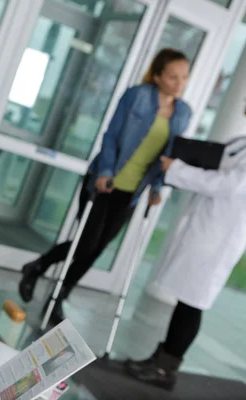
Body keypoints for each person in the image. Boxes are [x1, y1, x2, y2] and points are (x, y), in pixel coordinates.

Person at [18, 48, 192, 323]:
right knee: (86, 244)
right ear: (158, 76)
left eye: (184, 77)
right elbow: (111, 136)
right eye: (173, 76)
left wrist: (157, 188)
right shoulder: (137, 96)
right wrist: (105, 171)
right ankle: (38, 267)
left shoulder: (183, 113)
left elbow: (169, 155)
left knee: (98, 249)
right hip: (104, 180)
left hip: (133, 192)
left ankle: (60, 296)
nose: (179, 83)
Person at [125, 138, 246, 390]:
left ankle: (164, 369)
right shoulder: (241, 143)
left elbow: (229, 184)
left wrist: (177, 169)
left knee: (193, 303)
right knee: (186, 300)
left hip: (220, 237)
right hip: (207, 226)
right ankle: (162, 359)